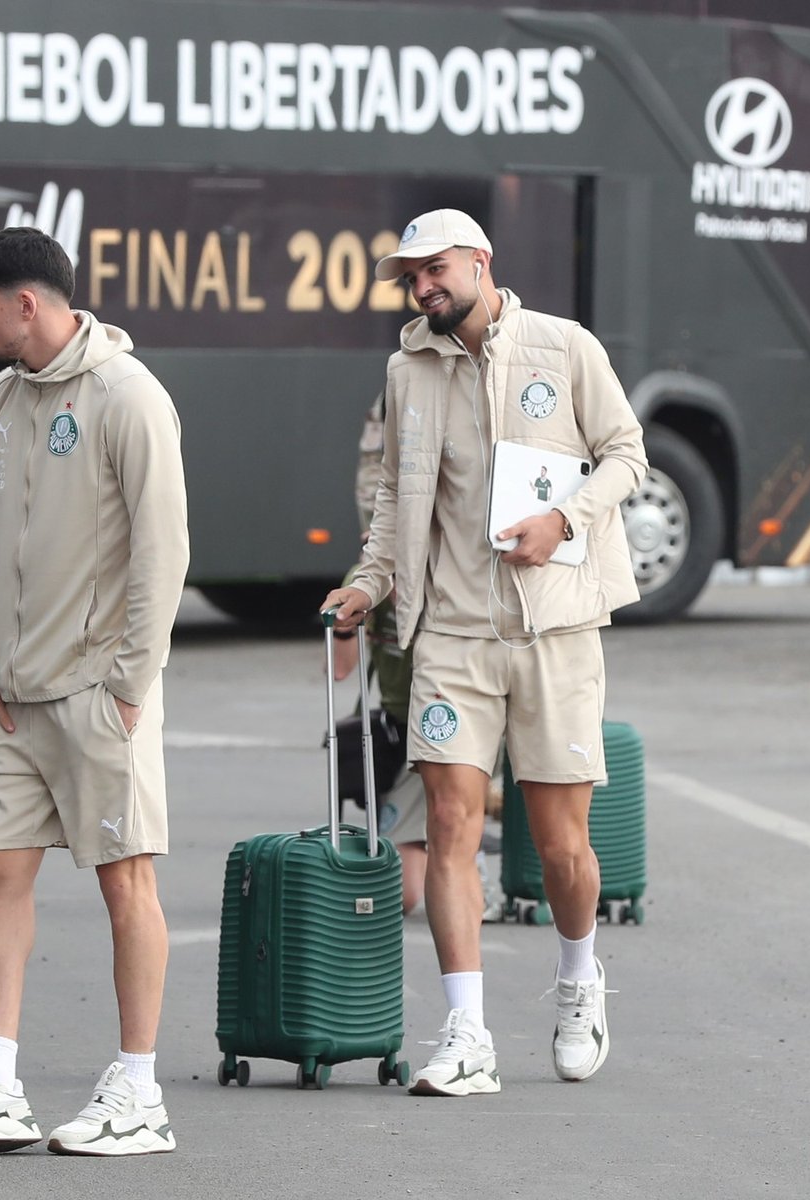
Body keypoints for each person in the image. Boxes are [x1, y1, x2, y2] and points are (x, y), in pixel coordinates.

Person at [321, 208, 647, 1096]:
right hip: (452, 635)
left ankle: (578, 979)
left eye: (436, 269)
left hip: (555, 629)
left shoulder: (564, 346)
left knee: (561, 846)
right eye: (411, 275)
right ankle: (465, 1032)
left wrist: (563, 519)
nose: (423, 286)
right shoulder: (406, 369)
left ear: (480, 261)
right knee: (451, 826)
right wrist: (369, 582)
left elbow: (627, 455)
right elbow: (395, 499)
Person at [0, 226, 189, 1156]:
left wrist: (130, 684)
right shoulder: (0, 398)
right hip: (9, 695)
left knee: (126, 882)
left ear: (26, 305)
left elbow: (163, 549)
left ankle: (139, 1092)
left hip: (97, 693)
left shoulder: (128, 395)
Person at [332, 391, 428, 916]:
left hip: (444, 714)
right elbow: (340, 670)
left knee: (406, 887)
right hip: (402, 725)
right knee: (403, 889)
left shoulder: (448, 567)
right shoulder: (367, 578)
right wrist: (351, 622)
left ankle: (466, 854)